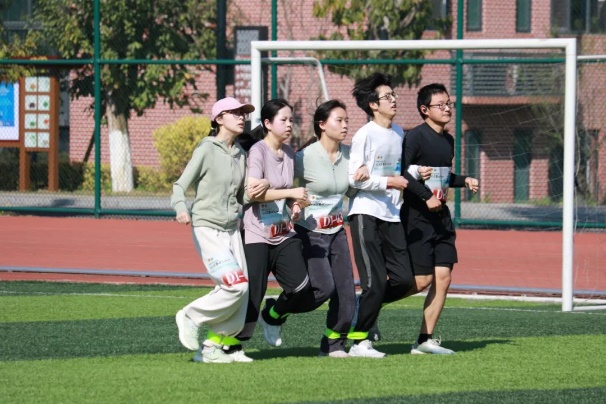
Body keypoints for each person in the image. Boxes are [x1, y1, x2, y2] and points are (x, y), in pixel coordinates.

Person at [171, 96, 268, 364]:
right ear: (219, 119)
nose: (241, 117)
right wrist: (181, 208)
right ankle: (190, 315)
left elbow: (241, 197)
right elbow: (180, 186)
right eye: (235, 113)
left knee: (243, 294)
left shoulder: (241, 154)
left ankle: (212, 348)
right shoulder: (206, 149)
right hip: (207, 227)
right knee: (236, 286)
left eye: (243, 113)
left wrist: (258, 191)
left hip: (232, 230)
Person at [346, 72, 430, 358]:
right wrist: (387, 182)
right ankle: (359, 342)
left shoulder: (398, 132)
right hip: (365, 214)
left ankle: (365, 305)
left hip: (392, 215)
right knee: (375, 282)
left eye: (394, 95)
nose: (394, 100)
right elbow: (354, 179)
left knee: (405, 280)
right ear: (373, 105)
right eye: (387, 96)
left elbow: (400, 170)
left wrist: (417, 171)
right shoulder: (364, 135)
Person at [234, 98, 318, 350]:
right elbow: (254, 193)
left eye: (291, 119)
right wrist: (291, 193)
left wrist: (294, 206)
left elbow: (285, 192)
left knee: (302, 288)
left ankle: (272, 315)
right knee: (253, 294)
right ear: (268, 124)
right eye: (283, 120)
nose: (289, 124)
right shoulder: (257, 151)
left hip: (282, 233)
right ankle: (234, 346)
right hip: (256, 233)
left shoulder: (290, 153)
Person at [401, 83, 479, 354]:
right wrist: (425, 196)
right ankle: (370, 304)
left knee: (443, 278)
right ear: (425, 109)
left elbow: (442, 177)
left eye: (449, 104)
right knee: (422, 281)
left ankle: (424, 341)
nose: (447, 108)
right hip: (417, 219)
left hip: (441, 219)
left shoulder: (448, 140)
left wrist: (464, 180)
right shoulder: (414, 137)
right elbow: (403, 174)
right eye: (441, 104)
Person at [294, 100, 369, 358]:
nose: (345, 125)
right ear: (322, 125)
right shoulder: (303, 158)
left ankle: (333, 344)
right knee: (323, 288)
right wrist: (293, 204)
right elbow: (283, 186)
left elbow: (351, 191)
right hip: (309, 231)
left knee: (347, 292)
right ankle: (275, 311)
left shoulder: (350, 155)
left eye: (347, 120)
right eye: (339, 120)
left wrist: (361, 176)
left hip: (336, 231)